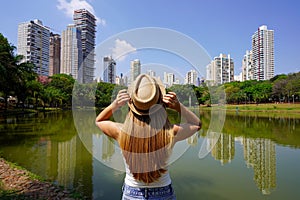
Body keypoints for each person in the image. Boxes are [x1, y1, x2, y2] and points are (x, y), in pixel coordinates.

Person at [95, 74, 201, 200]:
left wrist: (115, 105)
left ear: (132, 103)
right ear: (161, 103)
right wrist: (178, 106)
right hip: (163, 193)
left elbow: (100, 121)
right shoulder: (170, 132)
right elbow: (196, 124)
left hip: (131, 193)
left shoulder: (121, 131)